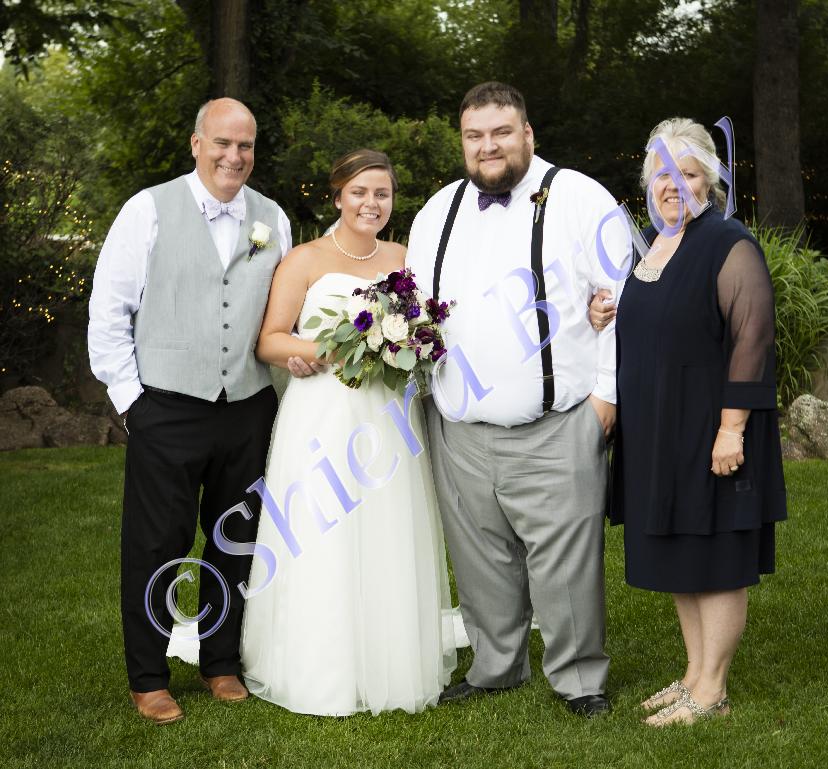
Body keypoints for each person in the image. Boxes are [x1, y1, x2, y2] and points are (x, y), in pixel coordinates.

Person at [405, 82, 630, 717]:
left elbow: (623, 301)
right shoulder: (438, 210)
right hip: (459, 427)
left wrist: (606, 397)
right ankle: (495, 665)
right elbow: (416, 304)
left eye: (502, 132)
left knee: (565, 563)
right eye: (474, 136)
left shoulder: (579, 197)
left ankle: (580, 678)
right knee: (480, 559)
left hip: (556, 424)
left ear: (527, 133)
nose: (488, 146)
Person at [88, 98, 293, 724]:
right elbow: (109, 312)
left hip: (248, 407)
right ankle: (148, 677)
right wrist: (134, 403)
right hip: (167, 407)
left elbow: (283, 313)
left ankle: (220, 662)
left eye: (245, 145)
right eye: (222, 143)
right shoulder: (147, 210)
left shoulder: (273, 218)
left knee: (236, 543)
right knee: (157, 544)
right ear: (197, 144)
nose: (235, 156)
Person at [239, 149, 457, 716]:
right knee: (323, 534)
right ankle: (321, 667)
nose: (370, 203)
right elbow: (270, 339)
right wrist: (321, 350)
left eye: (382, 194)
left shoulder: (404, 258)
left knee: (389, 527)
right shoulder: (304, 259)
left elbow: (427, 328)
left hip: (387, 414)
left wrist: (410, 342)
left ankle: (390, 660)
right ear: (337, 196)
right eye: (359, 192)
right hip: (323, 414)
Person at [597, 117, 787, 725]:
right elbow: (653, 323)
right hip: (659, 432)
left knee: (716, 557)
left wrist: (731, 429)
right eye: (661, 174)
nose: (672, 185)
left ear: (710, 180)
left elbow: (753, 339)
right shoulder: (656, 245)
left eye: (687, 173)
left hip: (711, 429)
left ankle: (712, 692)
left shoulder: (728, 242)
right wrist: (604, 312)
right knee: (682, 555)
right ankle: (692, 676)